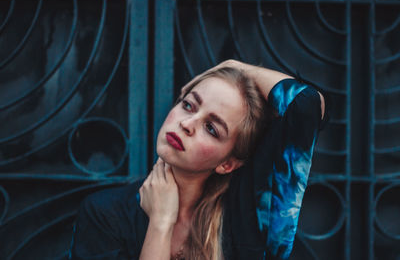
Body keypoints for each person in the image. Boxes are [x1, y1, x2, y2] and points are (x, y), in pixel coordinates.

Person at [69, 60, 329, 260]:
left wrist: (234, 66)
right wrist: (160, 223)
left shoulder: (243, 215)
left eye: (212, 129)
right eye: (189, 105)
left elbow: (306, 106)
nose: (187, 124)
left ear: (227, 164)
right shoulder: (103, 214)